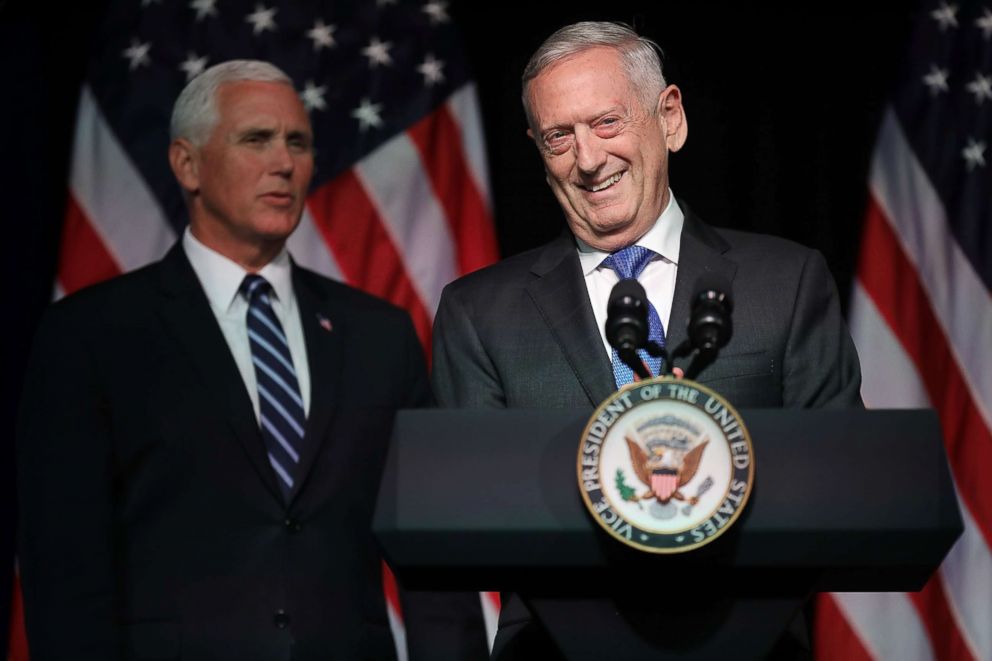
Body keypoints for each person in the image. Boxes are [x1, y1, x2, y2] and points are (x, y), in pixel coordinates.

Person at [17, 60, 486, 660]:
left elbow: (433, 562)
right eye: (256, 139)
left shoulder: (379, 335)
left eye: (298, 142)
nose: (285, 163)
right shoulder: (90, 335)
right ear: (187, 164)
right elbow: (66, 571)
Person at [431, 21, 862, 659]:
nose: (587, 159)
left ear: (670, 118)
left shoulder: (786, 282)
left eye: (607, 123)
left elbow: (844, 481)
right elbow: (464, 515)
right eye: (559, 136)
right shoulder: (478, 312)